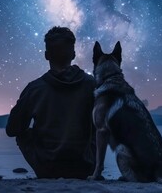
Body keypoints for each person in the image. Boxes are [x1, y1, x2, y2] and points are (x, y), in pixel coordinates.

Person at [6, 26, 96, 179]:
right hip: (84, 166)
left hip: (47, 167)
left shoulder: (34, 89)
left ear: (46, 55)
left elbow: (12, 129)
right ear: (73, 54)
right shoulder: (93, 85)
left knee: (23, 134)